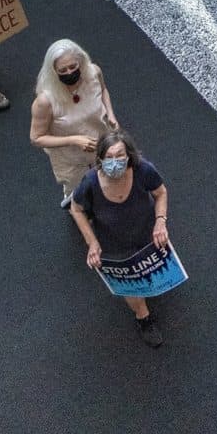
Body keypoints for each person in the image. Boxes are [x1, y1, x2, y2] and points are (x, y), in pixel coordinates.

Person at [69, 129, 171, 347]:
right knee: (131, 284)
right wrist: (92, 242)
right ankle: (143, 318)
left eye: (120, 156)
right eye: (109, 157)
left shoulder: (143, 170)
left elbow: (160, 192)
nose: (115, 162)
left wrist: (160, 220)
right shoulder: (90, 183)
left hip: (146, 234)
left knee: (152, 269)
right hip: (115, 245)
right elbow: (76, 209)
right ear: (100, 159)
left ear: (129, 156)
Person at [29, 39, 119, 206]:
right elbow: (36, 138)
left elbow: (104, 90)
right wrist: (74, 140)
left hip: (101, 144)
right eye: (62, 70)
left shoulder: (93, 73)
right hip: (72, 159)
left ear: (81, 61)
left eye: (73, 67)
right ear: (53, 71)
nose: (69, 73)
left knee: (107, 179)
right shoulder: (45, 101)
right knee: (80, 194)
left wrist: (111, 115)